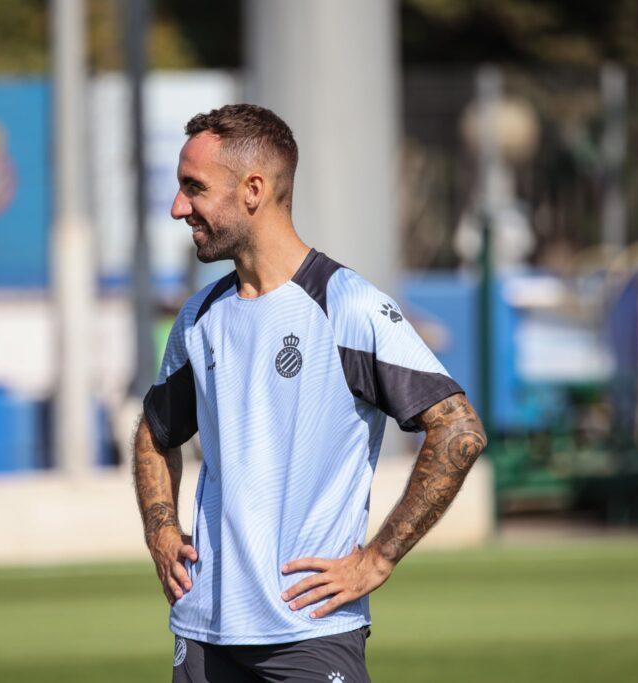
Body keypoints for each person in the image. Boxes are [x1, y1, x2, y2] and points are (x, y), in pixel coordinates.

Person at [133, 104, 487, 683]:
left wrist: (378, 558)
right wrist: (161, 529)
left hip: (309, 631)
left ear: (253, 189)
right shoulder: (199, 317)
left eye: (193, 188)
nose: (179, 208)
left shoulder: (346, 304)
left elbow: (460, 429)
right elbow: (154, 432)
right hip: (202, 634)